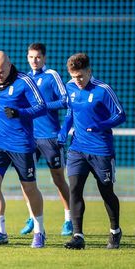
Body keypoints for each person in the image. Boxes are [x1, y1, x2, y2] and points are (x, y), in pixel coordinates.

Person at [59, 53, 126, 249]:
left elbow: (121, 115)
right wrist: (64, 130)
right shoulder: (70, 87)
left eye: (80, 76)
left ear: (89, 71)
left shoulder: (103, 90)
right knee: (74, 189)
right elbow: (71, 111)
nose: (77, 80)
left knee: (106, 191)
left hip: (101, 150)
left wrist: (101, 125)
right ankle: (78, 236)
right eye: (73, 76)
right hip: (77, 149)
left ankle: (115, 231)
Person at [0, 51, 47, 248]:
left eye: (0, 71)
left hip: (21, 143)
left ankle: (39, 231)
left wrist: (21, 113)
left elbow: (42, 107)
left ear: (9, 65)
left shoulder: (24, 81)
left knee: (29, 188)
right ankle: (0, 232)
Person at [20, 42, 72, 236]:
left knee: (58, 179)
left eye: (38, 57)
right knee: (27, 180)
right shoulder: (24, 79)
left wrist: (42, 106)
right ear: (27, 58)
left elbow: (66, 101)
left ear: (44, 58)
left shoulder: (52, 76)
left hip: (50, 136)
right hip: (29, 138)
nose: (35, 60)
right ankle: (32, 217)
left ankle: (69, 219)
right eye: (31, 57)